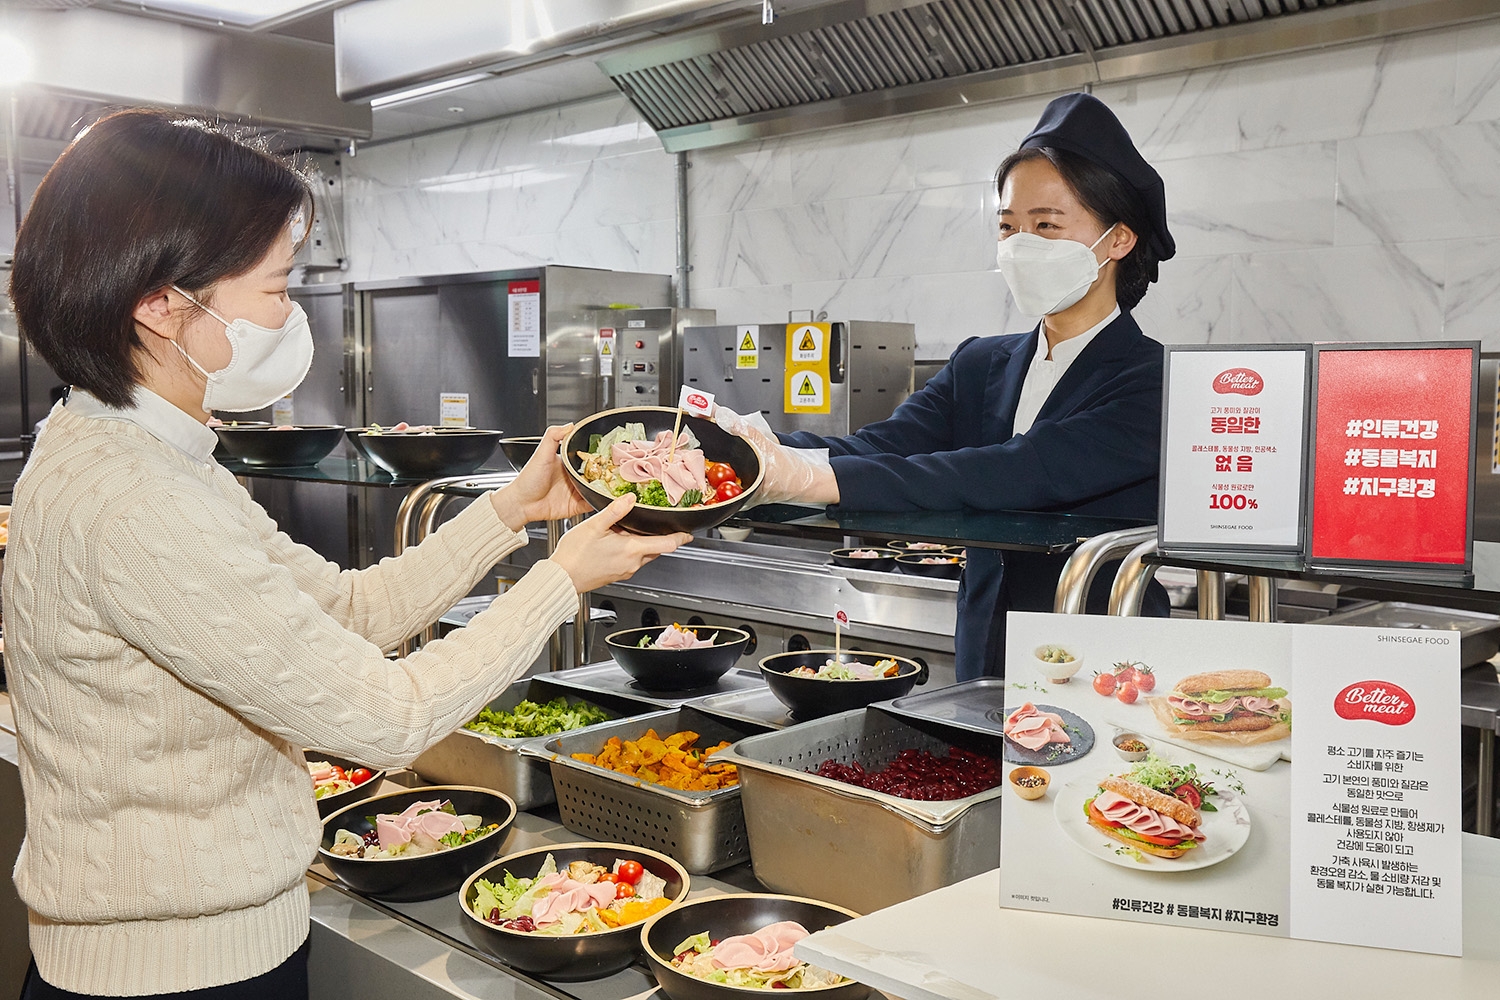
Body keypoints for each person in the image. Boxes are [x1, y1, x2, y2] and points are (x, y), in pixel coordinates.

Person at [2, 109, 689, 999]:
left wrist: (513, 512)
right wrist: (563, 581)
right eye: (277, 291)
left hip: (196, 954)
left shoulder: (140, 450)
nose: (290, 317)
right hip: (176, 977)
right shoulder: (134, 500)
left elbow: (347, 613)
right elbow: (384, 719)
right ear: (162, 303)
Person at [718, 93, 1173, 681]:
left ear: (1119, 240)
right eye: (1008, 226)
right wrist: (744, 451)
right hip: (985, 646)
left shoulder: (1154, 381)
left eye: (1046, 226)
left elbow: (1014, 471)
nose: (1020, 245)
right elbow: (884, 444)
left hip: (1104, 659)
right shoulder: (981, 363)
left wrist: (806, 477)